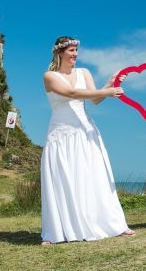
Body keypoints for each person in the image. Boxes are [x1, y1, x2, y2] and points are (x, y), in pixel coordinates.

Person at [40, 36, 136, 246]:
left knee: (93, 176)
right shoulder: (49, 76)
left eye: (76, 50)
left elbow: (94, 99)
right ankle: (57, 231)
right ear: (60, 52)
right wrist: (107, 91)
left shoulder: (84, 73)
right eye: (71, 50)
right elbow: (72, 93)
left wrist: (110, 83)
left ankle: (112, 224)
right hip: (62, 134)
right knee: (65, 178)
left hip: (86, 131)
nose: (75, 54)